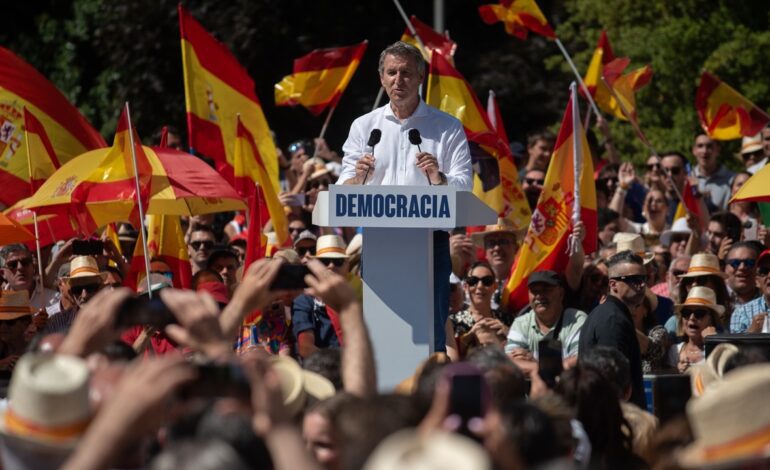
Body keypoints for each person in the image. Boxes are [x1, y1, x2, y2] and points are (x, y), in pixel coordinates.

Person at [338, 41, 472, 352]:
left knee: (428, 338)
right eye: (392, 73)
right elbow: (342, 189)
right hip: (380, 242)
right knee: (382, 339)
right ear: (381, 78)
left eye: (407, 73)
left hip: (430, 243)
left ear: (421, 77)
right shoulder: (364, 126)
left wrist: (441, 179)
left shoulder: (447, 128)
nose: (399, 81)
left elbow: (464, 187)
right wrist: (357, 178)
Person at [579, 251, 647, 409]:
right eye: (634, 280)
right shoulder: (613, 320)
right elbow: (612, 381)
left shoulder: (611, 314)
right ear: (613, 285)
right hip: (614, 419)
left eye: (644, 278)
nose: (642, 285)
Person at [505, 270, 587, 365]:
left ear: (561, 293)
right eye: (534, 291)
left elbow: (578, 362)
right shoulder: (521, 323)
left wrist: (535, 363)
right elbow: (511, 363)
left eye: (546, 290)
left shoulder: (576, 319)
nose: (539, 296)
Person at [449, 261, 513, 355]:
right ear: (466, 287)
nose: (480, 286)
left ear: (494, 286)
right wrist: (469, 336)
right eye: (473, 281)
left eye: (487, 281)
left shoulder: (507, 319)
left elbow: (522, 352)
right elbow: (449, 358)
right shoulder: (453, 322)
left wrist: (509, 334)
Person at [469, 218, 523, 310]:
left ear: (516, 248)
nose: (497, 248)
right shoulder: (473, 284)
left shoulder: (524, 282)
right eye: (491, 243)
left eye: (504, 242)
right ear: (485, 252)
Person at [668, 286, 721, 373]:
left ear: (711, 318)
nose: (692, 318)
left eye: (699, 313)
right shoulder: (674, 351)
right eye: (686, 313)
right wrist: (676, 371)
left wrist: (711, 343)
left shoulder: (720, 349)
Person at [0, 244, 58, 311]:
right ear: (3, 273)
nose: (20, 267)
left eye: (25, 262)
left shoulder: (55, 299)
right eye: (12, 264)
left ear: (33, 267)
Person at [730, 248, 770, 333]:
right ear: (757, 281)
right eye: (764, 271)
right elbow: (734, 346)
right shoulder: (741, 313)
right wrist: (751, 332)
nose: (769, 276)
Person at [691, 134, 735, 211]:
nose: (704, 151)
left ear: (718, 150)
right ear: (694, 150)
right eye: (700, 146)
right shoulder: (687, 178)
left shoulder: (732, 179)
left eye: (709, 146)